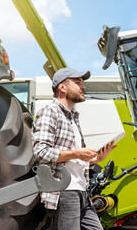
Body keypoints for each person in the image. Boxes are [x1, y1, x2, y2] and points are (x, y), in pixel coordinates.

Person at [32, 67, 116, 230]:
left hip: (82, 192)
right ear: (62, 87)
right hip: (65, 191)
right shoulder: (49, 112)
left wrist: (93, 160)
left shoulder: (73, 118)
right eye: (78, 82)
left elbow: (72, 160)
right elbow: (41, 153)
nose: (83, 87)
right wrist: (78, 153)